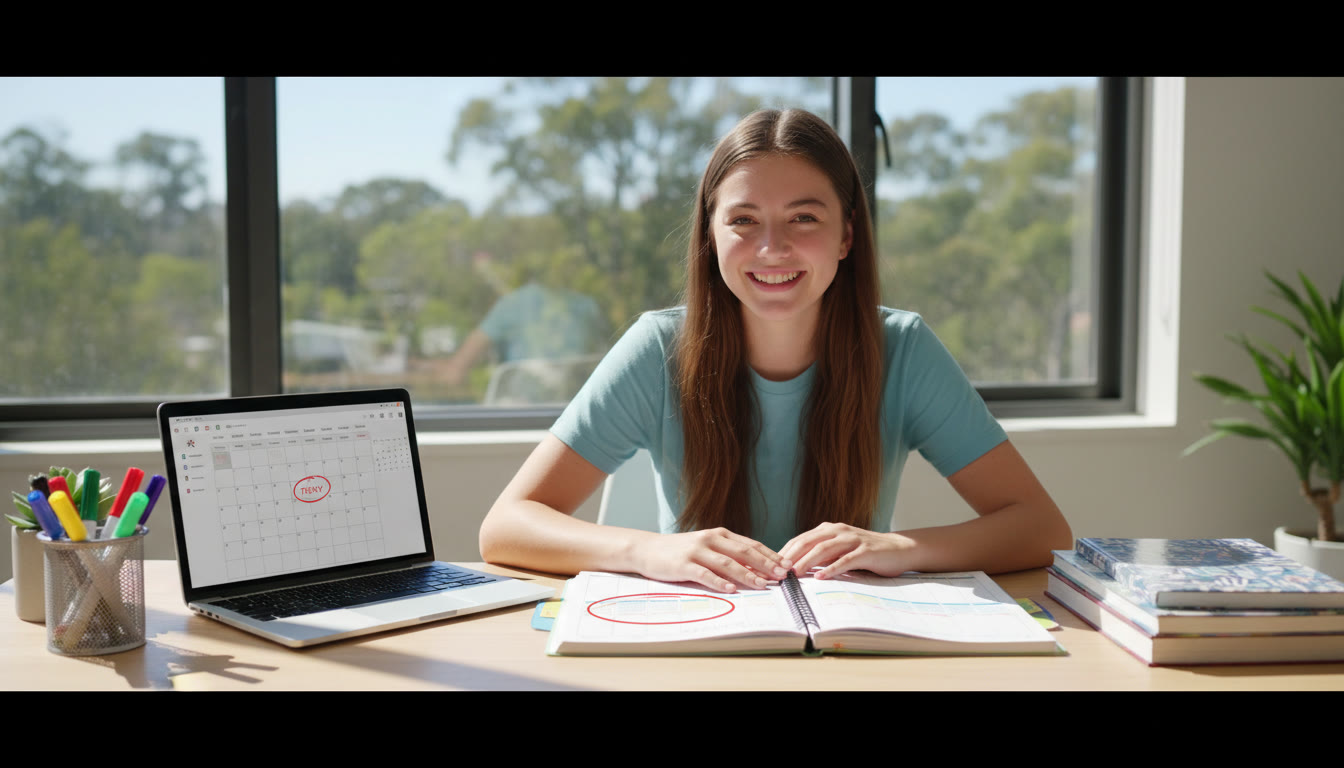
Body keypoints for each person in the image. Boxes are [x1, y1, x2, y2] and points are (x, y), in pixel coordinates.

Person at [479, 108, 1072, 593]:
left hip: (849, 652)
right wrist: (648, 550)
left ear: (845, 236)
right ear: (711, 239)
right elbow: (506, 526)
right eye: (743, 220)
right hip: (699, 651)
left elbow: (1041, 527)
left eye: (804, 218)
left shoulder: (903, 348)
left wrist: (901, 547)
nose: (772, 248)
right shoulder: (657, 348)